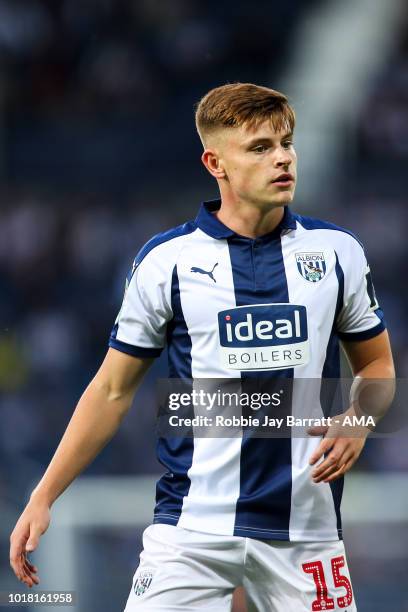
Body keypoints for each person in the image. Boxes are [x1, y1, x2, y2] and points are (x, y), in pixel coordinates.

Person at [10, 83, 395, 611]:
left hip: (306, 530)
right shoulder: (166, 261)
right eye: (260, 148)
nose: (282, 158)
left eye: (286, 143)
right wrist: (44, 495)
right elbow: (111, 390)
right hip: (191, 531)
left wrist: (357, 420)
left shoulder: (337, 253)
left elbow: (378, 366)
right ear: (215, 162)